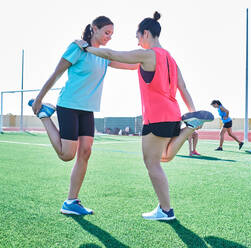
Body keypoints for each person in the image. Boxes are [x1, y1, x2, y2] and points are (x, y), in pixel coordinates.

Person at [74, 11, 214, 220]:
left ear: (146, 33)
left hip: (156, 116)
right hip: (173, 114)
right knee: (163, 157)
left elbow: (113, 54)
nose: (138, 43)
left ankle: (166, 210)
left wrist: (88, 48)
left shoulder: (148, 55)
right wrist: (191, 108)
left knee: (153, 163)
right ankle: (190, 125)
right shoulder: (170, 58)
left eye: (138, 37)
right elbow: (182, 86)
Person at [29, 16, 138, 215]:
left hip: (88, 109)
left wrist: (150, 57)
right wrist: (38, 99)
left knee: (85, 152)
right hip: (69, 105)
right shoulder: (77, 48)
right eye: (106, 32)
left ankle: (71, 201)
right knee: (67, 155)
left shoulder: (103, 55)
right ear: (94, 29)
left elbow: (131, 64)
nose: (109, 37)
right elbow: (56, 74)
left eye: (112, 34)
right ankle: (45, 116)